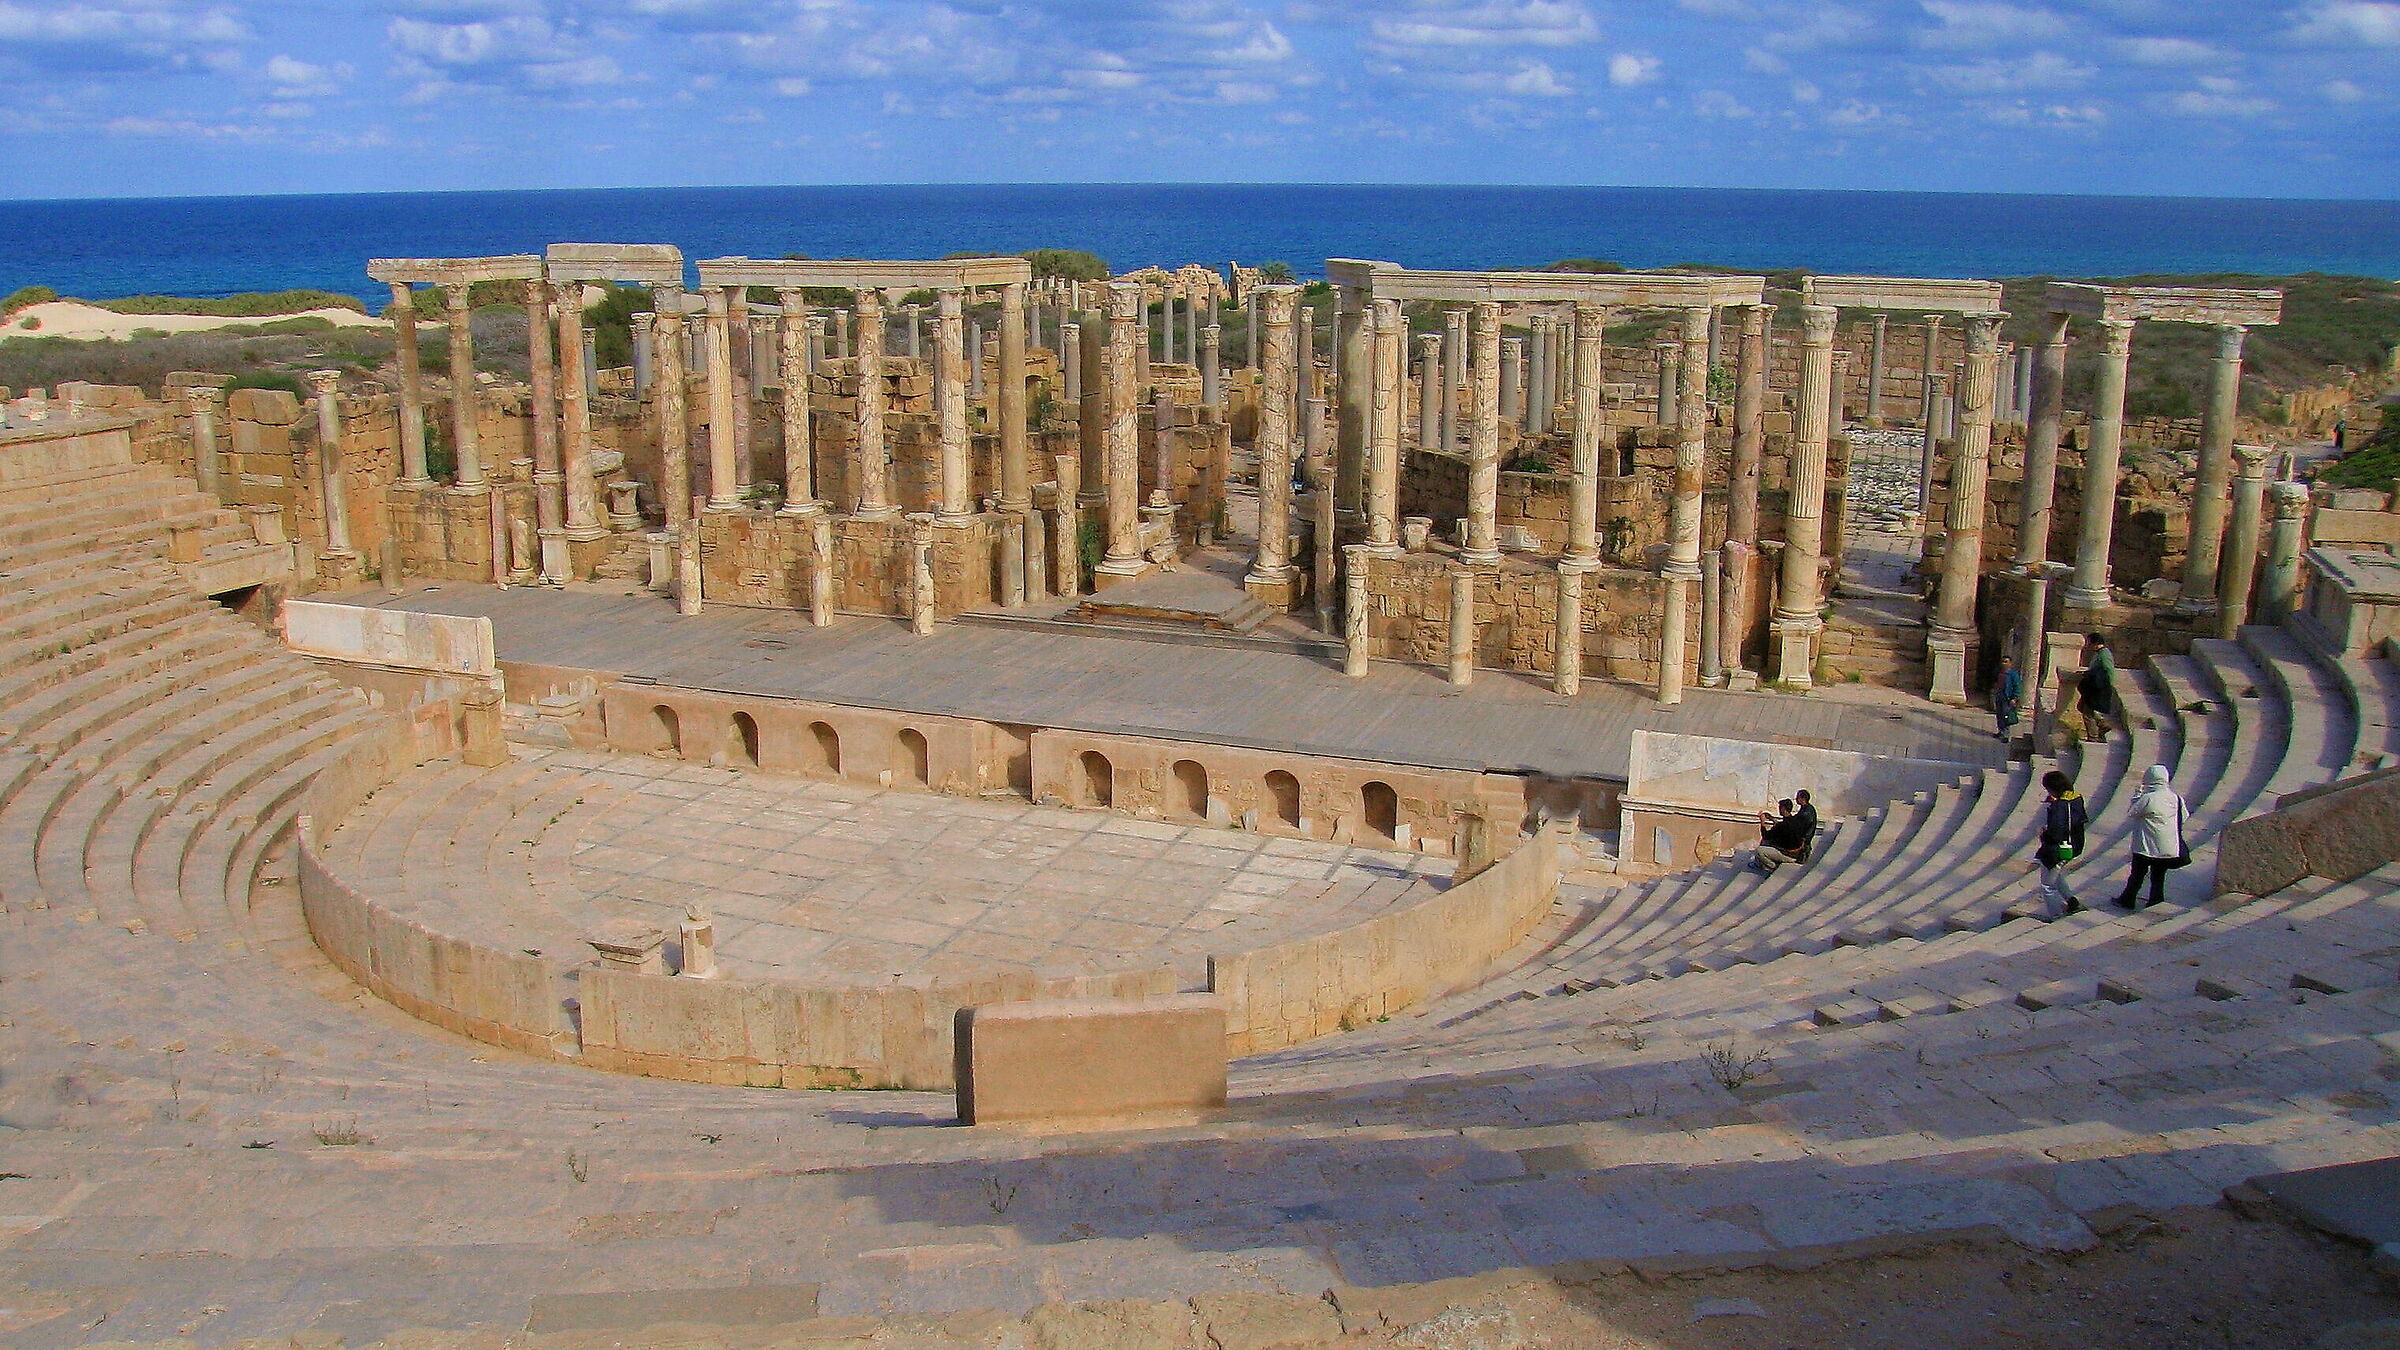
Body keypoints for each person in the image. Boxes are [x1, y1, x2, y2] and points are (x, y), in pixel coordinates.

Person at [2114, 764, 2190, 911]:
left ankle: (2127, 899)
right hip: (2167, 845)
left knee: (2137, 874)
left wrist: (2137, 795)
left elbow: (2131, 812)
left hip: (2145, 846)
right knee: (2158, 875)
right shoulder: (2176, 798)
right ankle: (2156, 899)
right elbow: (2184, 817)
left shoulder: (2148, 798)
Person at [2033, 768, 2088, 918]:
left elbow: (2056, 831)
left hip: (2059, 848)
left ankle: (2056, 915)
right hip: (2074, 846)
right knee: (2057, 874)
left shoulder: (2060, 806)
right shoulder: (2076, 799)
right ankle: (2071, 901)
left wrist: (2044, 834)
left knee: (2047, 885)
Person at [1753, 793, 1816, 875]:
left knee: (1759, 850)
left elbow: (1766, 836)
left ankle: (1771, 866)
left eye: (1780, 808)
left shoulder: (1783, 825)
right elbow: (1784, 827)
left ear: (1783, 809)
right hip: (1798, 852)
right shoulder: (1795, 820)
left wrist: (1762, 823)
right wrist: (1772, 819)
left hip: (1790, 856)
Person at [2077, 634, 2117, 742]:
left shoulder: (2104, 655)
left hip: (2099, 688)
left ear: (2094, 643)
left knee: (2087, 712)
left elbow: (2108, 670)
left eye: (2089, 642)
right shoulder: (2099, 654)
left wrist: (2107, 686)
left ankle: (2093, 736)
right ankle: (2102, 724)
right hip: (2094, 687)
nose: (2088, 645)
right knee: (2082, 707)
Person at [1993, 654, 2023, 742]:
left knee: (2006, 715)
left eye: (2006, 662)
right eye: (2002, 662)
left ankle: (2006, 734)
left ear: (2010, 663)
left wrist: (2015, 698)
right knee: (1999, 714)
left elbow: (2017, 686)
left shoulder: (2013, 674)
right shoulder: (1999, 672)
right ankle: (2000, 731)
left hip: (2008, 697)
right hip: (2000, 695)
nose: (2004, 664)